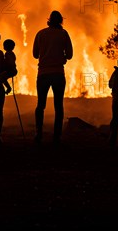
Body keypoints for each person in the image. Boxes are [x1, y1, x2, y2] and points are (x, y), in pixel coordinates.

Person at [32, 10, 73, 144]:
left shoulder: (41, 33)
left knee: (40, 105)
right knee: (58, 105)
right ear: (61, 20)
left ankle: (38, 133)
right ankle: (57, 135)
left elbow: (35, 55)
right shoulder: (63, 34)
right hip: (58, 73)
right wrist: (62, 56)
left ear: (49, 20)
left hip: (43, 73)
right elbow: (70, 55)